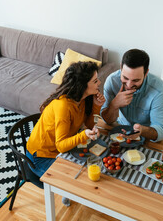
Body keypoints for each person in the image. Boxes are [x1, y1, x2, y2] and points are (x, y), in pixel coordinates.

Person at [26, 61, 105, 206]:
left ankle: (68, 191)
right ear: (82, 85)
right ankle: (66, 191)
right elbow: (61, 146)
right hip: (41, 156)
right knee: (80, 176)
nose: (99, 82)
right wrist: (83, 135)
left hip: (60, 148)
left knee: (90, 164)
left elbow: (88, 124)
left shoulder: (81, 99)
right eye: (95, 81)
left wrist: (96, 106)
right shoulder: (63, 106)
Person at [101, 49, 163, 142]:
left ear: (146, 73)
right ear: (121, 67)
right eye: (125, 78)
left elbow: (162, 130)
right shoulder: (112, 81)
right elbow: (107, 121)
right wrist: (114, 104)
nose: (129, 85)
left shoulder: (158, 89)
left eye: (135, 80)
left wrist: (142, 130)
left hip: (146, 137)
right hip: (121, 130)